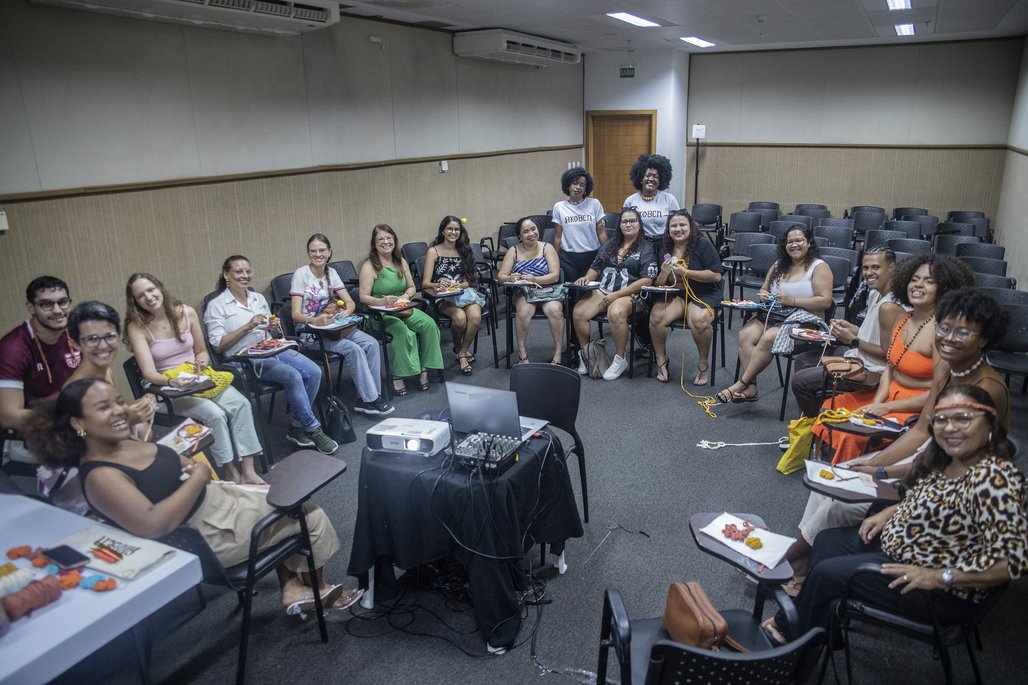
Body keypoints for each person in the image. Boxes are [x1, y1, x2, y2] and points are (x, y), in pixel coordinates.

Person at [23, 379, 362, 615]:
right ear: (78, 423)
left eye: (118, 402)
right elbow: (155, 523)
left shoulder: (124, 442)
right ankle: (315, 589)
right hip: (205, 534)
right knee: (308, 513)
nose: (118, 411)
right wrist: (198, 475)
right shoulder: (99, 475)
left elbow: (176, 460)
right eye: (103, 408)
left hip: (216, 501)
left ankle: (294, 589)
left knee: (286, 498)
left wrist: (193, 473)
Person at [781, 287, 1010, 594]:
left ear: (983, 339)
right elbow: (920, 432)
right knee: (838, 474)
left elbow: (948, 465)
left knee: (841, 503)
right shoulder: (950, 373)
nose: (949, 338)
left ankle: (791, 560)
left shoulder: (987, 388)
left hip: (946, 485)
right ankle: (804, 561)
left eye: (963, 332)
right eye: (944, 328)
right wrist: (870, 464)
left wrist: (881, 473)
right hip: (930, 458)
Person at [763, 384, 1027, 646]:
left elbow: (1015, 562)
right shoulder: (950, 459)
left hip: (936, 589)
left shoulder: (995, 482)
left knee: (824, 574)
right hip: (904, 551)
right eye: (942, 419)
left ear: (990, 423)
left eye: (963, 418)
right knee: (826, 542)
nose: (950, 427)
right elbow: (928, 500)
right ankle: (821, 627)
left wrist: (939, 576)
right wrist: (891, 512)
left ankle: (790, 640)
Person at [811, 255, 975, 463]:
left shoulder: (943, 332)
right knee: (830, 407)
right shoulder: (902, 319)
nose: (918, 286)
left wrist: (887, 408)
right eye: (914, 279)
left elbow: (942, 392)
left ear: (945, 289)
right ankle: (828, 469)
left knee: (852, 433)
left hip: (916, 409)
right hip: (887, 397)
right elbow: (890, 368)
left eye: (929, 281)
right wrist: (878, 401)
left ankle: (847, 478)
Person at [124, 272, 268, 484]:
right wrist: (172, 381)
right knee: (215, 415)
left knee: (242, 404)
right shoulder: (137, 326)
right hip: (168, 388)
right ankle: (231, 471)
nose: (148, 297)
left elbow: (202, 352)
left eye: (151, 290)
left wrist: (201, 362)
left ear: (160, 287)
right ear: (135, 302)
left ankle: (248, 470)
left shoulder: (187, 312)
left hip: (200, 379)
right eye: (140, 295)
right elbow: (148, 373)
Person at [204, 255, 338, 455]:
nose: (245, 276)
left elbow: (271, 330)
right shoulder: (217, 305)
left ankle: (296, 427)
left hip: (270, 348)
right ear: (226, 275)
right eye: (238, 272)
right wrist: (249, 325)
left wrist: (274, 328)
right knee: (292, 376)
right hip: (244, 359)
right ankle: (312, 428)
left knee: (313, 371)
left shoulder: (257, 298)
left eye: (248, 271)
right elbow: (217, 346)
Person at [716, 225, 832, 404]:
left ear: (809, 243)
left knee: (769, 337)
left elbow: (824, 301)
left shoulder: (818, 267)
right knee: (745, 335)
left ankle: (742, 383)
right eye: (790, 241)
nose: (794, 245)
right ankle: (752, 388)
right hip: (775, 315)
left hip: (806, 320)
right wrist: (764, 295)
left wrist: (791, 300)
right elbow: (764, 288)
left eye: (799, 240)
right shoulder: (779, 265)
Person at [0, 276, 82, 509]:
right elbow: (7, 415)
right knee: (88, 453)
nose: (57, 310)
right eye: (46, 304)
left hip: (74, 427)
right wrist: (68, 420)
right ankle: (75, 519)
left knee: (118, 435)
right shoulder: (13, 348)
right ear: (31, 307)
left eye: (63, 302)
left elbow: (95, 380)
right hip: (28, 436)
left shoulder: (73, 335)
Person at [790, 247, 901, 417]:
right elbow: (874, 334)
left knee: (800, 382)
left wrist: (852, 340)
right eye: (865, 268)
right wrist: (851, 328)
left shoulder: (891, 305)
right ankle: (811, 418)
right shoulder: (874, 294)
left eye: (875, 267)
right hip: (858, 355)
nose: (869, 273)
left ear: (892, 268)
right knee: (803, 360)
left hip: (872, 371)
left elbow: (888, 354)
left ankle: (815, 429)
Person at [290, 234, 393, 415]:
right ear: (308, 253)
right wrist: (314, 320)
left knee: (371, 343)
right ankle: (370, 399)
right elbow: (295, 314)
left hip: (335, 328)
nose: (318, 254)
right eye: (313, 251)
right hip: (311, 333)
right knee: (353, 349)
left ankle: (370, 396)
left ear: (329, 252)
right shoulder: (301, 274)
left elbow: (350, 302)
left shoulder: (332, 273)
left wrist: (346, 311)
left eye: (322, 250)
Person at [572, 207, 658, 380]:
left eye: (632, 220)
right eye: (624, 221)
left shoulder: (647, 247)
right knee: (579, 313)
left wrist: (617, 295)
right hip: (604, 290)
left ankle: (620, 359)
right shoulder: (610, 245)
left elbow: (647, 280)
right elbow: (595, 268)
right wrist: (586, 277)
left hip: (631, 294)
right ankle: (588, 355)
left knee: (616, 312)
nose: (628, 224)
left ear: (639, 224)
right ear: (619, 225)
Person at [358, 224, 443, 396]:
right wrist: (382, 300)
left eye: (389, 238)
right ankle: (398, 375)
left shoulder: (401, 261)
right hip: (380, 312)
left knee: (429, 325)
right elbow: (363, 297)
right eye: (380, 239)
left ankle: (424, 368)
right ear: (374, 244)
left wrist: (405, 296)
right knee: (403, 332)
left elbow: (412, 287)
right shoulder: (369, 266)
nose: (386, 242)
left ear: (394, 240)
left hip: (403, 307)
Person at [647, 209, 723, 385]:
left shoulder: (702, 244)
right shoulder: (665, 247)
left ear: (691, 227)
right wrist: (664, 274)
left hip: (704, 293)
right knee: (656, 317)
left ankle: (703, 364)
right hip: (677, 294)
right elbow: (659, 284)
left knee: (699, 319)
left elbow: (716, 276)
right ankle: (661, 361)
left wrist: (686, 272)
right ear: (668, 229)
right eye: (673, 226)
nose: (678, 229)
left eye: (682, 225)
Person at [64, 301, 158, 440]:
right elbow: (89, 442)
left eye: (110, 336)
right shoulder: (76, 389)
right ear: (75, 344)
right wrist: (128, 418)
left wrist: (141, 408)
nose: (103, 346)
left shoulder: (106, 371)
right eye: (92, 339)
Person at [497, 216, 564, 365]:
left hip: (547, 290)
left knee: (555, 310)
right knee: (524, 310)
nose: (531, 233)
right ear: (519, 236)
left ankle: (558, 354)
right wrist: (511, 278)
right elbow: (501, 276)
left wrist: (534, 279)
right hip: (523, 292)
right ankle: (522, 354)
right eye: (526, 231)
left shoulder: (547, 247)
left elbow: (555, 276)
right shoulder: (513, 250)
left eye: (533, 229)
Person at [422, 217, 484, 375]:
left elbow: (467, 281)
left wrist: (458, 285)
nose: (453, 232)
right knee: (460, 318)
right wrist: (439, 284)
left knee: (475, 317)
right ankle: (458, 346)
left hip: (463, 293)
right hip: (442, 296)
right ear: (443, 231)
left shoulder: (464, 250)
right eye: (449, 229)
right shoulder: (433, 251)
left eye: (456, 229)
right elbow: (425, 284)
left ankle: (462, 352)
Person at [552, 166, 606, 294]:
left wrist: (606, 253)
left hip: (592, 256)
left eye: (582, 185)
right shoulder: (559, 207)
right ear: (568, 185)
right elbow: (558, 237)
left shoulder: (594, 204)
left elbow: (601, 232)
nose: (578, 187)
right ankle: (569, 314)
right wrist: (555, 259)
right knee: (571, 293)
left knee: (589, 292)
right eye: (574, 183)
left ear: (586, 188)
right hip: (569, 258)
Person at [623, 154, 680, 242]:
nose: (651, 179)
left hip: (664, 244)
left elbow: (677, 225)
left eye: (656, 176)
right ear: (640, 178)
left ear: (661, 180)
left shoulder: (669, 199)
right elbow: (625, 227)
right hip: (640, 244)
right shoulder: (630, 201)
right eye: (648, 175)